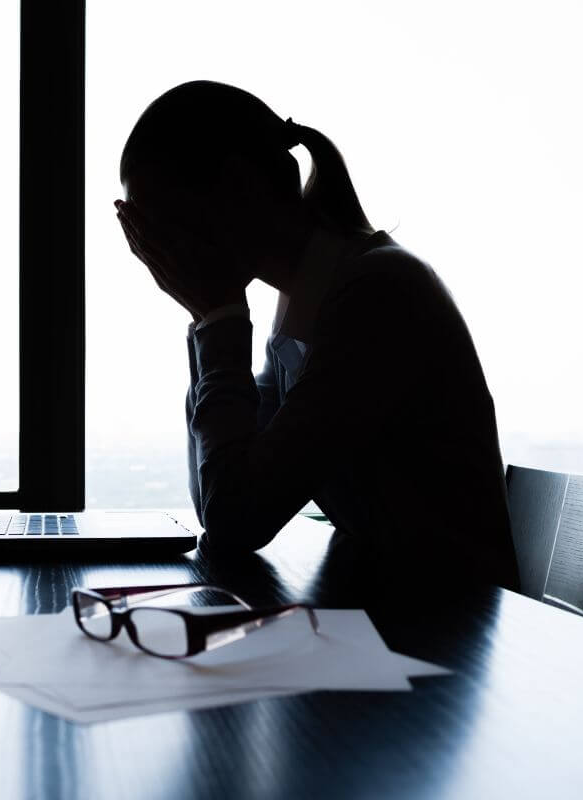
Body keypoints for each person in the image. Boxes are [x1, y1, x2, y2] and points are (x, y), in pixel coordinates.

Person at [115, 80, 519, 591]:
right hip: (404, 611)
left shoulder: (377, 293)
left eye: (160, 226)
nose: (160, 254)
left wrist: (218, 319)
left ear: (238, 187)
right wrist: (209, 320)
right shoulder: (311, 296)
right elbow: (220, 499)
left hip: (448, 627)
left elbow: (237, 518)